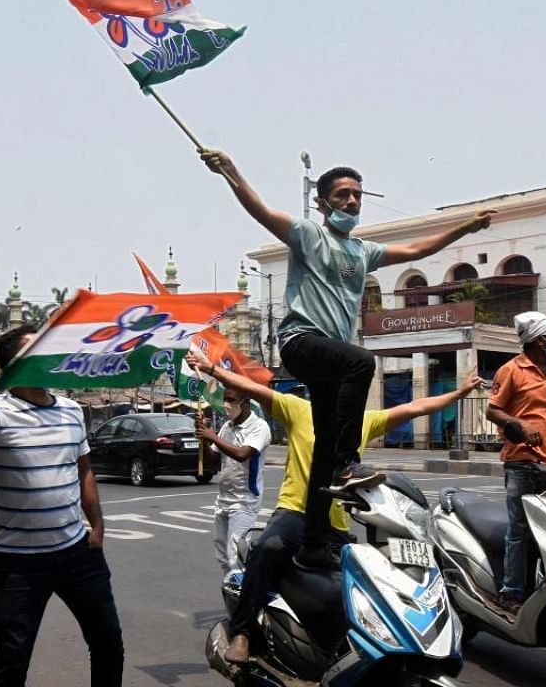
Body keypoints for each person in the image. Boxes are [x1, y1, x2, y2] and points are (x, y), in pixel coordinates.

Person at [200, 149, 493, 570]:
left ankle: (314, 543)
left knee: (321, 447)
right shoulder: (307, 234)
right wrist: (230, 171)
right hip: (302, 341)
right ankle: (346, 464)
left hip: (329, 360)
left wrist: (465, 227)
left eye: (357, 195)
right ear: (323, 203)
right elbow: (260, 211)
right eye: (342, 195)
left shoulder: (362, 251)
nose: (352, 202)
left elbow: (415, 249)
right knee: (362, 362)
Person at [188, 347, 484, 663]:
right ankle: (243, 632)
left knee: (360, 579)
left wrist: (460, 392)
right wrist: (211, 370)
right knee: (267, 550)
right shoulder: (297, 409)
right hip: (295, 511)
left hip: (336, 523)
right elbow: (253, 389)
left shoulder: (362, 422)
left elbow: (417, 406)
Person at [0, 325, 123, 687]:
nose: (51, 356)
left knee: (108, 643)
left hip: (78, 553)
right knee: (12, 664)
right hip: (19, 563)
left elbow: (85, 473)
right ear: (17, 365)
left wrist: (97, 527)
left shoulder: (70, 410)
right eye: (39, 350)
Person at [484, 312, 546, 616]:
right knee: (520, 530)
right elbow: (493, 411)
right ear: (538, 340)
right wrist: (520, 425)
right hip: (522, 462)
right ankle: (511, 591)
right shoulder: (511, 370)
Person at [195, 386, 272, 578]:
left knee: (236, 556)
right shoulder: (227, 427)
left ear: (245, 401)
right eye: (225, 400)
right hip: (224, 499)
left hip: (245, 501)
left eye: (231, 400)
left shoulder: (259, 427)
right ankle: (233, 593)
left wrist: (211, 435)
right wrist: (204, 439)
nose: (226, 405)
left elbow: (242, 454)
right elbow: (214, 460)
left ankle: (244, 597)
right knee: (222, 555)